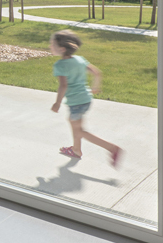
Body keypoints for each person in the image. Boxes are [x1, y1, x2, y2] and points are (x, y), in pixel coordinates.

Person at [49, 30, 121, 167]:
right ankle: (76, 150)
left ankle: (112, 148)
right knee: (76, 125)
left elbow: (63, 85)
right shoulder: (80, 59)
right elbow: (97, 73)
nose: (50, 46)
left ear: (62, 49)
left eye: (52, 44)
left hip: (76, 102)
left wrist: (57, 103)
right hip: (86, 99)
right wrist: (95, 87)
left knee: (79, 131)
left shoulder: (60, 65)